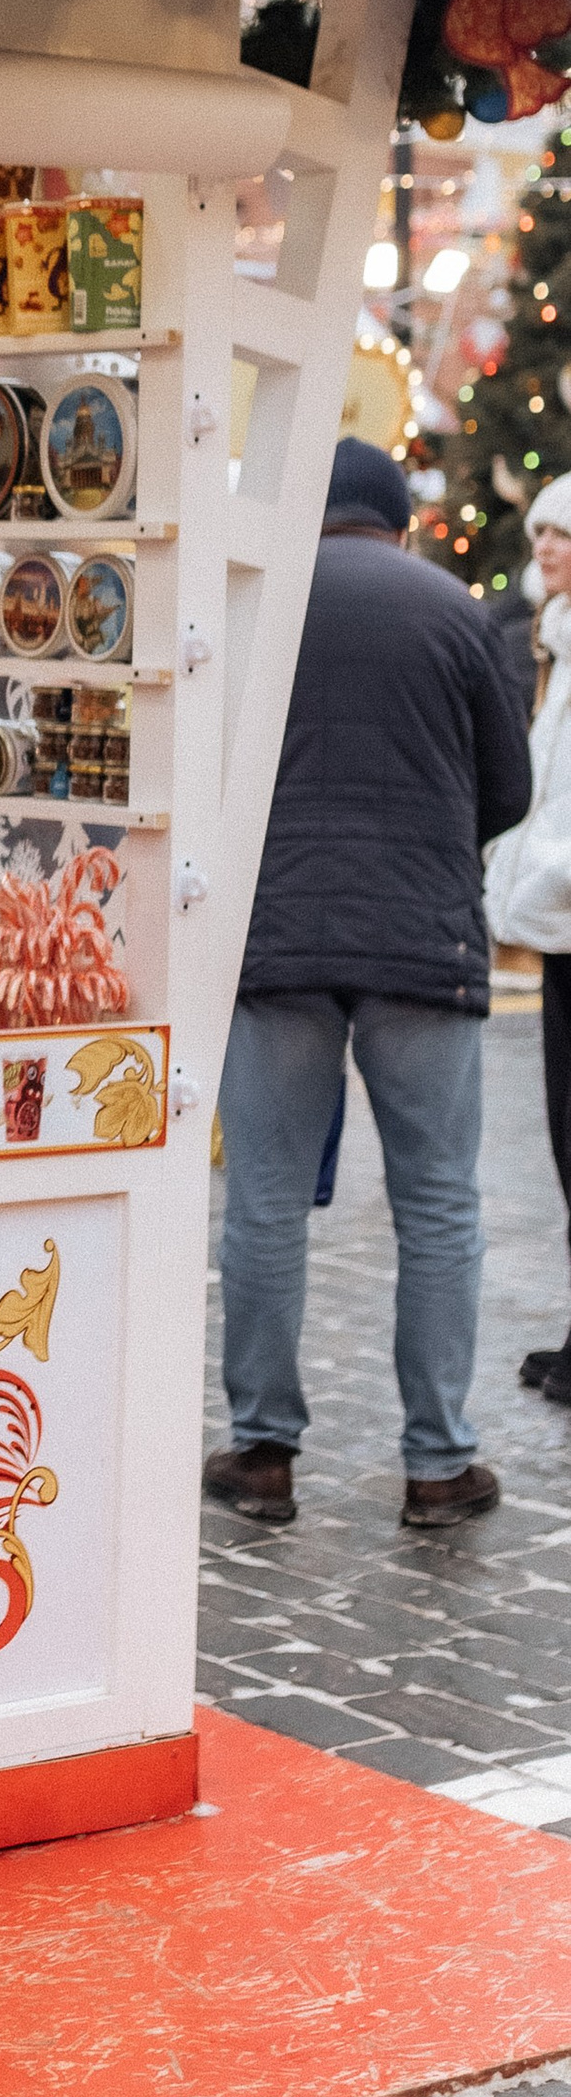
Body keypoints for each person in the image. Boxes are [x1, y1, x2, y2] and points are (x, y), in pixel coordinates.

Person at [205, 436, 530, 1536]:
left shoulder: (258, 607)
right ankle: (437, 1465)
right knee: (437, 1203)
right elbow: (508, 787)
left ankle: (261, 1454)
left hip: (277, 938)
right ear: (398, 522)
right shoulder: (455, 611)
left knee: (261, 1199)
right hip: (420, 947)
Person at [485, 473, 571, 1401]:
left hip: (564, 910)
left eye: (563, 535)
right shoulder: (554, 646)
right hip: (557, 930)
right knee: (563, 1141)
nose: (544, 548)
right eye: (540, 531)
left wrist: (542, 879)